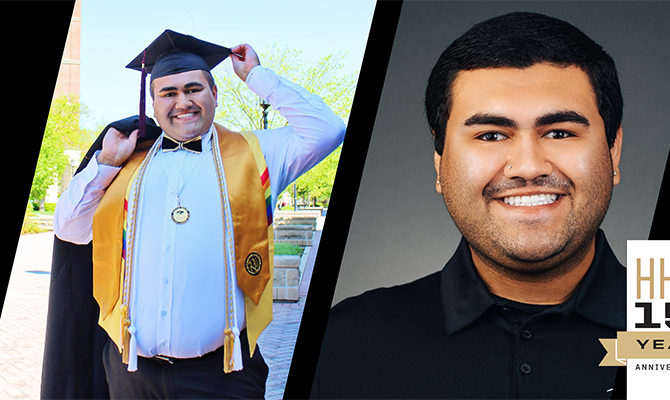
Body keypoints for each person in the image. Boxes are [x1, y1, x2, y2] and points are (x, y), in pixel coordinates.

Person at [312, 12, 625, 399]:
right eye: (491, 135)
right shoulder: (345, 341)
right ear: (440, 164)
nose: (528, 167)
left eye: (559, 132)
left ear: (613, 150)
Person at [50, 30, 345, 399]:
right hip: (131, 372)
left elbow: (328, 130)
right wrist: (106, 162)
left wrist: (256, 76)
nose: (183, 102)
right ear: (152, 103)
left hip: (222, 376)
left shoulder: (256, 153)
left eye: (193, 89)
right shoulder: (126, 164)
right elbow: (70, 229)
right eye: (168, 93)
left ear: (214, 94)